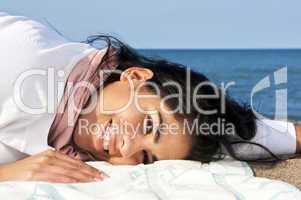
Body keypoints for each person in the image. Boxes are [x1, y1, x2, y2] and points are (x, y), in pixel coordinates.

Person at [0, 12, 299, 183]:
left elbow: (240, 133)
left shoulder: (78, 127)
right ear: (135, 77)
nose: (126, 148)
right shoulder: (22, 62)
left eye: (145, 158)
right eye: (147, 126)